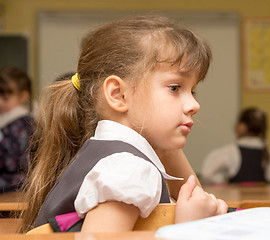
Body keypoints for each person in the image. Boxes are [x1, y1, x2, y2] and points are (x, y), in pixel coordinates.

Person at [18, 15, 228, 233]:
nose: (194, 105)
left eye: (192, 90)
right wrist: (189, 229)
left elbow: (198, 199)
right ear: (118, 94)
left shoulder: (113, 156)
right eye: (175, 88)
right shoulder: (129, 169)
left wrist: (165, 146)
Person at [201, 107, 270, 185]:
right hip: (264, 201)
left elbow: (207, 175)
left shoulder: (229, 152)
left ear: (241, 127)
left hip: (235, 200)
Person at [0, 66, 34, 193]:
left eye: (6, 99)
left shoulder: (21, 125)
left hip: (18, 185)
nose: (0, 103)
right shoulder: (8, 123)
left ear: (23, 96)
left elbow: (17, 162)